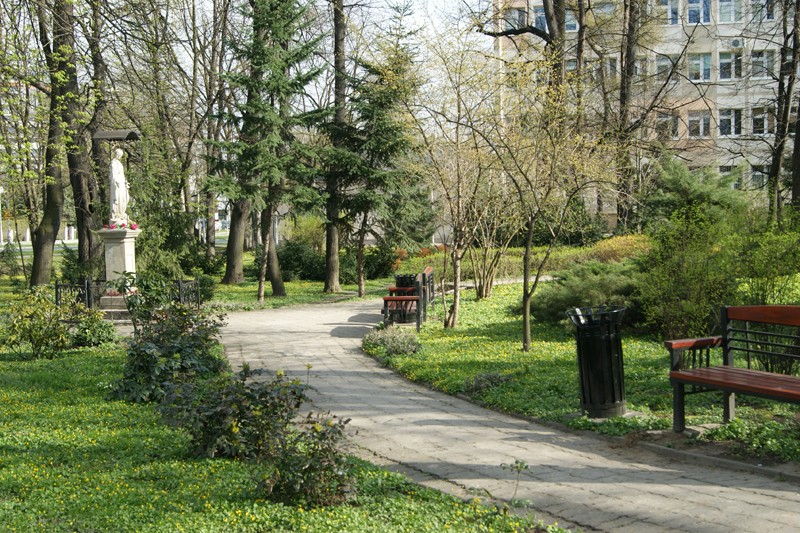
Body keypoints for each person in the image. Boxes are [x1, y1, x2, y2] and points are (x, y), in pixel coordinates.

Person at [109, 148, 129, 224]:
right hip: (117, 183)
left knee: (124, 198)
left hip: (121, 183)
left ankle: (121, 213)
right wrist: (115, 181)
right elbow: (113, 174)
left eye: (121, 155)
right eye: (119, 155)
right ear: (116, 154)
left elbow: (122, 174)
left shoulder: (119, 163)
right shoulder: (113, 163)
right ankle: (117, 213)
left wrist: (125, 181)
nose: (119, 156)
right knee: (117, 198)